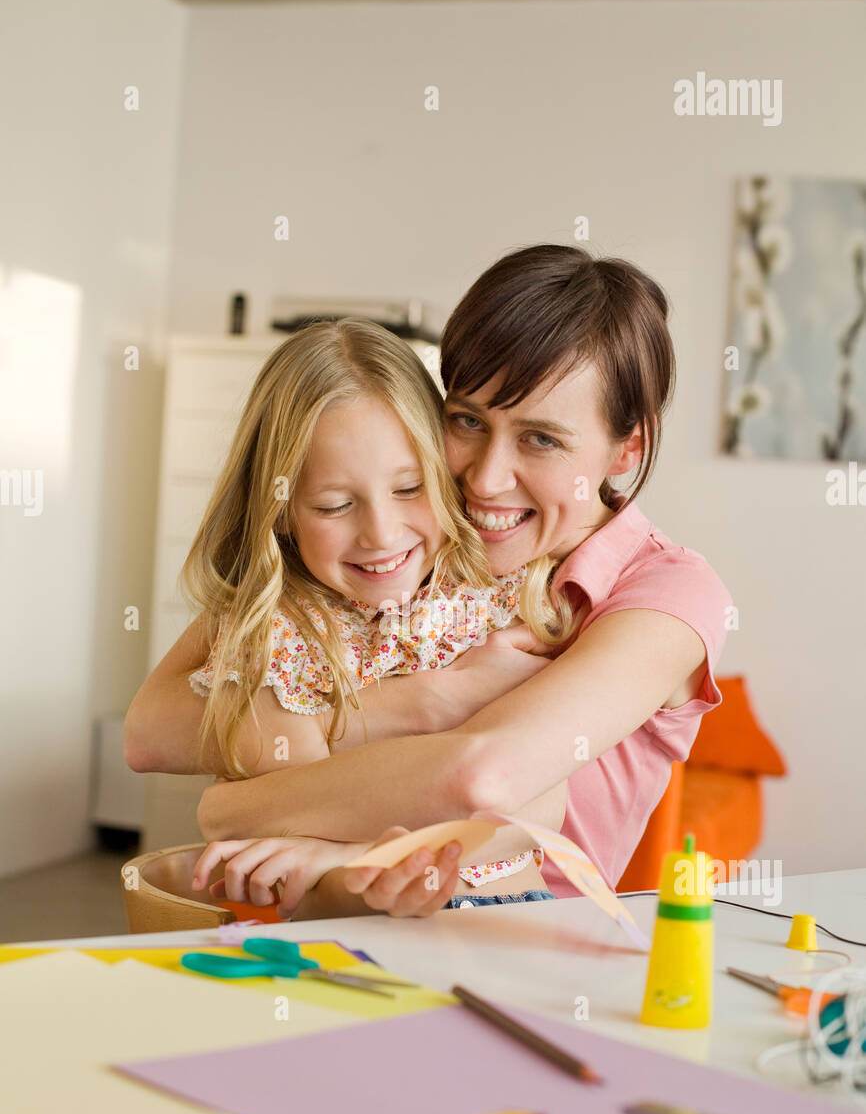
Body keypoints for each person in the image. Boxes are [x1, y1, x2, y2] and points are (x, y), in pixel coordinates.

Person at [126, 244, 731, 920]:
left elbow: (485, 778)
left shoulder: (669, 592)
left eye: (540, 439)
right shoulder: (414, 537)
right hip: (335, 927)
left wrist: (233, 808)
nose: (484, 477)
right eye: (468, 420)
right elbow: (154, 727)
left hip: (524, 940)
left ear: (629, 447)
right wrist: (426, 700)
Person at [127, 315, 571, 916]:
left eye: (411, 488)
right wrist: (359, 854)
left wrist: (360, 841)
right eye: (335, 505)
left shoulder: (495, 598)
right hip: (355, 930)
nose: (382, 534)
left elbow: (542, 799)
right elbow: (293, 819)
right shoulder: (278, 636)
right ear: (281, 512)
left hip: (516, 916)